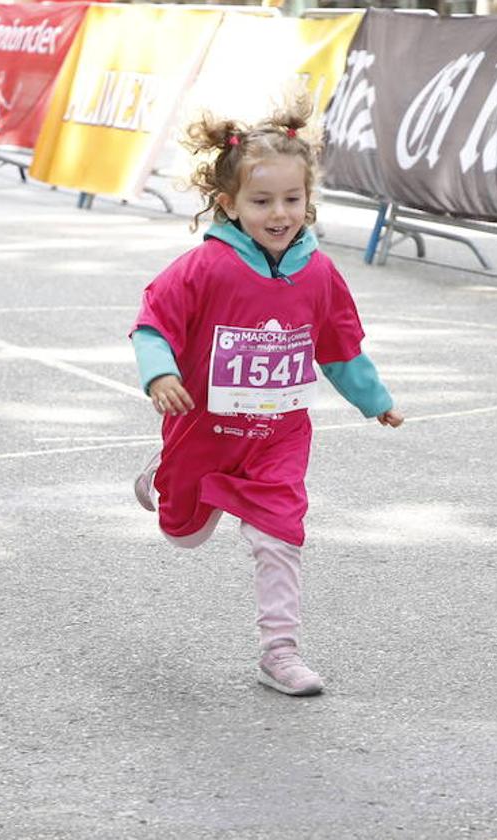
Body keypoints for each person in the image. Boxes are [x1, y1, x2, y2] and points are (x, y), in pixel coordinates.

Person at [129, 96, 404, 697]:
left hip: (278, 437)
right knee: (183, 533)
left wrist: (373, 398)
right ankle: (169, 470)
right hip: (205, 431)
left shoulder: (319, 273)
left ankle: (280, 651)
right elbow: (153, 325)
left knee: (279, 536)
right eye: (261, 201)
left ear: (309, 199)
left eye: (292, 199)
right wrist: (159, 375)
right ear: (228, 204)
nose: (280, 213)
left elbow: (339, 347)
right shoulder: (205, 268)